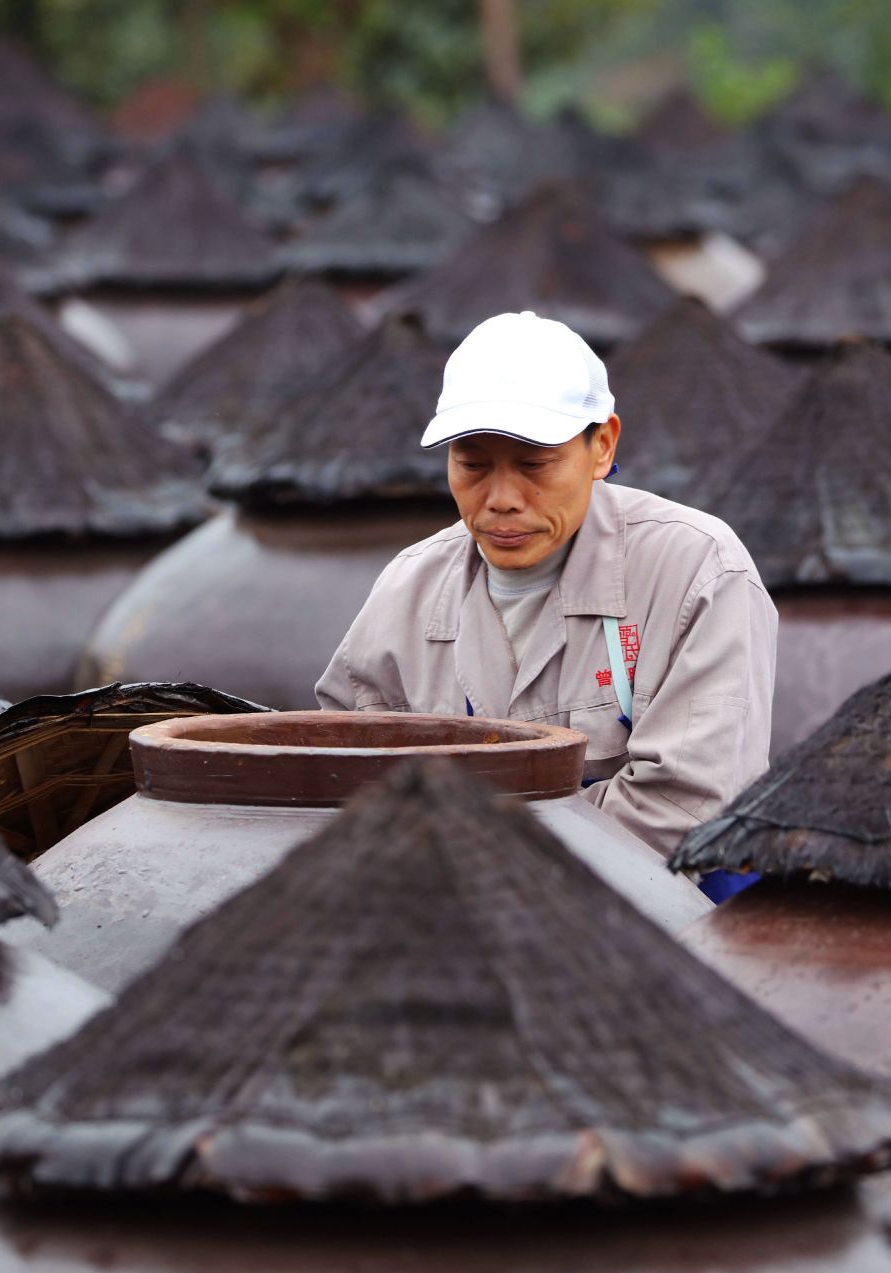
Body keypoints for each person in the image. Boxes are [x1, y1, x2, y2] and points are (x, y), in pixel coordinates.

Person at [317, 311, 777, 891]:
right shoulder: (408, 589)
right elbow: (343, 774)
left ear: (602, 446)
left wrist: (491, 876)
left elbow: (688, 802)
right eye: (473, 465)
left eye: (535, 465)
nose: (502, 499)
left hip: (663, 917)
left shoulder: (697, 570)